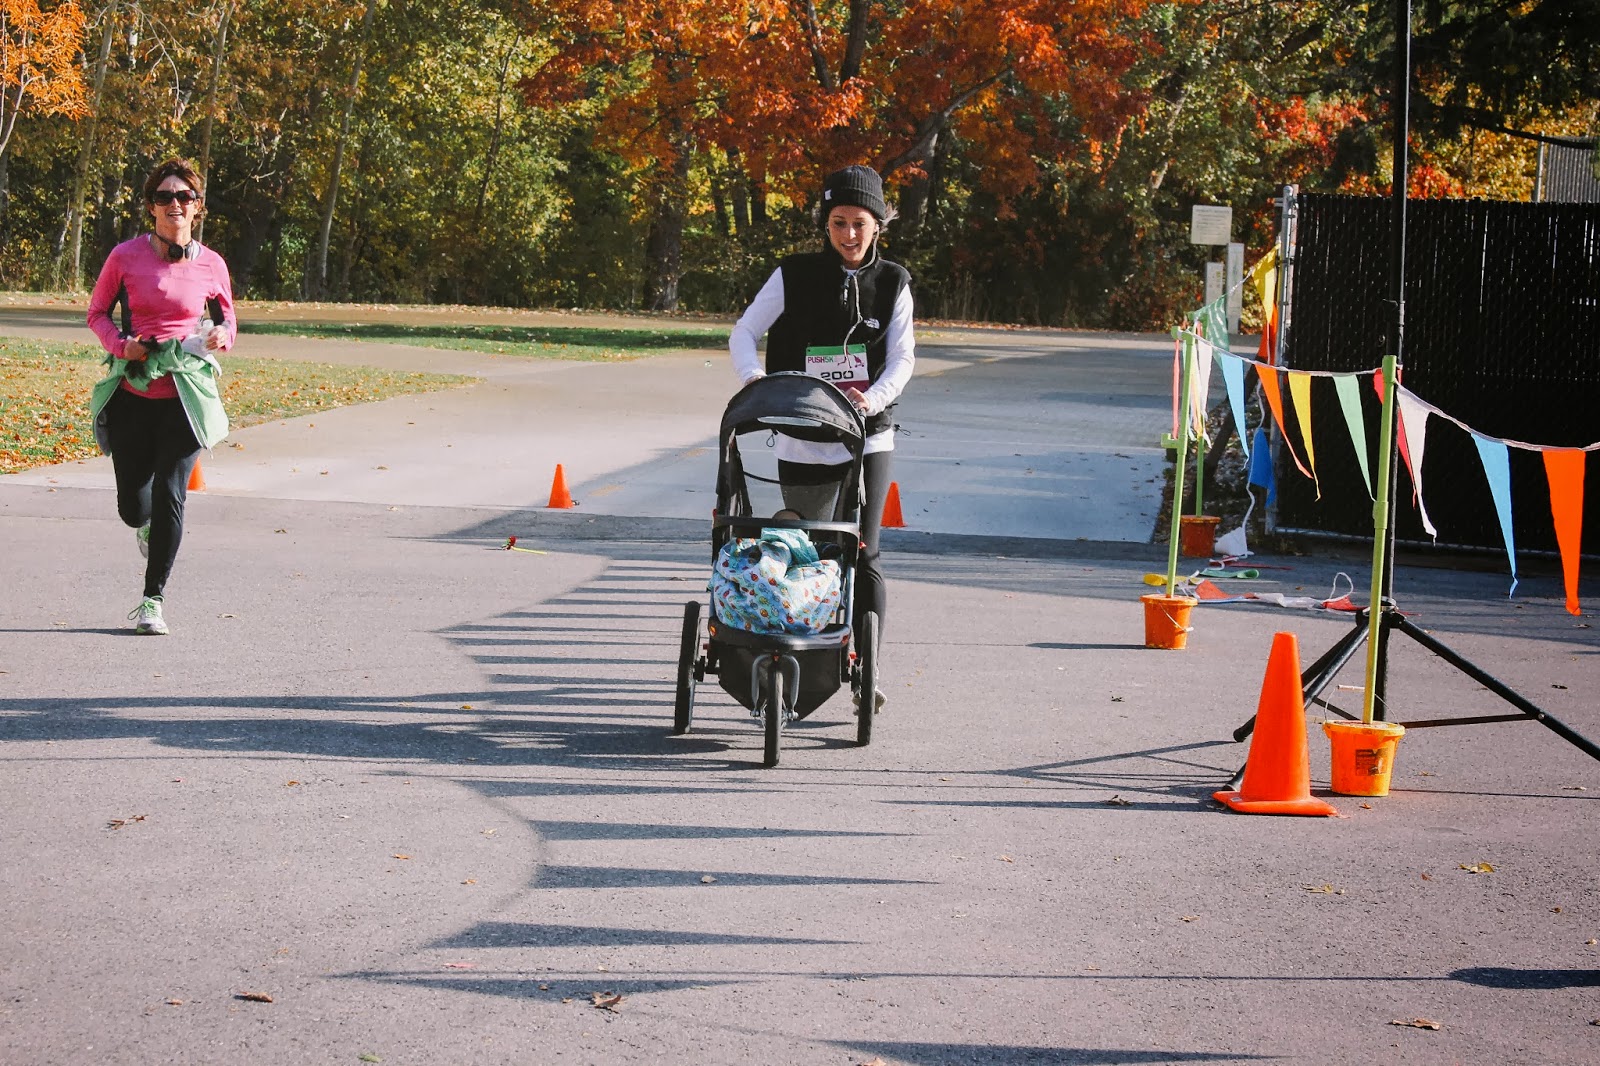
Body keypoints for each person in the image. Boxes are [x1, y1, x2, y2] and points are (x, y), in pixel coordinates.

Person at [728, 164, 914, 713]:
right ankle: (801, 661)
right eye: (838, 223)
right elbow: (744, 332)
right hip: (803, 439)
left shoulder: (894, 282)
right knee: (810, 551)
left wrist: (871, 400)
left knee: (866, 552)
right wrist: (755, 381)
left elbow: (903, 358)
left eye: (859, 223)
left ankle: (867, 667)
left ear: (879, 224)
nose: (849, 235)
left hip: (869, 438)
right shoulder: (794, 274)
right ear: (825, 224)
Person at [86, 158, 235, 635]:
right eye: (165, 197)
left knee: (173, 492)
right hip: (133, 388)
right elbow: (97, 313)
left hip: (186, 395)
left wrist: (220, 338)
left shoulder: (212, 264)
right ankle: (145, 527)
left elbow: (228, 320)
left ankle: (153, 600)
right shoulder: (125, 257)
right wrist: (120, 346)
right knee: (133, 505)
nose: (175, 204)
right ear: (151, 207)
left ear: (197, 207)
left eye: (184, 197)